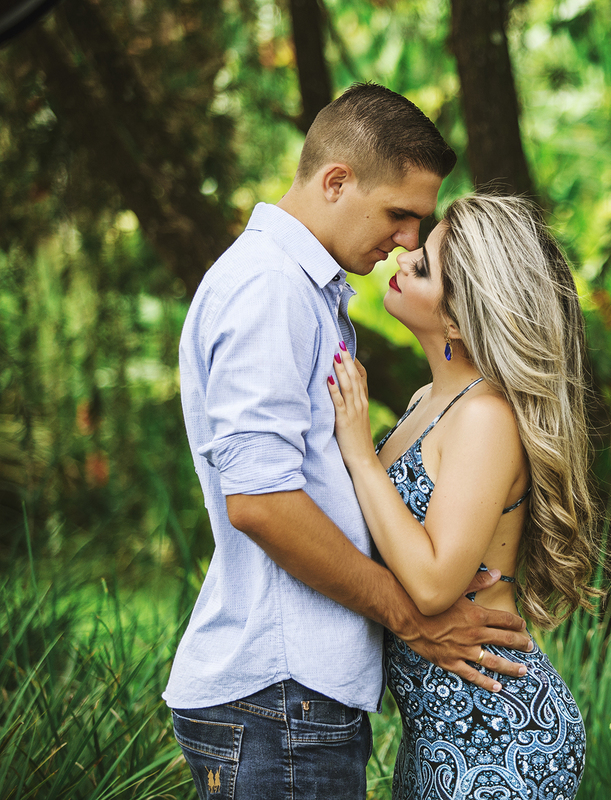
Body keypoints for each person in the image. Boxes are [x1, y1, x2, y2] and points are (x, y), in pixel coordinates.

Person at [164, 84, 534, 800]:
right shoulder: (270, 291)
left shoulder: (310, 295)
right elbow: (261, 503)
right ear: (337, 181)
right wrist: (410, 617)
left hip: (296, 697)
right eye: (399, 215)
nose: (405, 242)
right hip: (279, 693)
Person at [326, 193, 601, 800]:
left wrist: (359, 454)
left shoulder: (485, 416)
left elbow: (431, 584)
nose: (401, 260)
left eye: (422, 267)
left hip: (498, 734)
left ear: (457, 320)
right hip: (437, 734)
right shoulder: (429, 402)